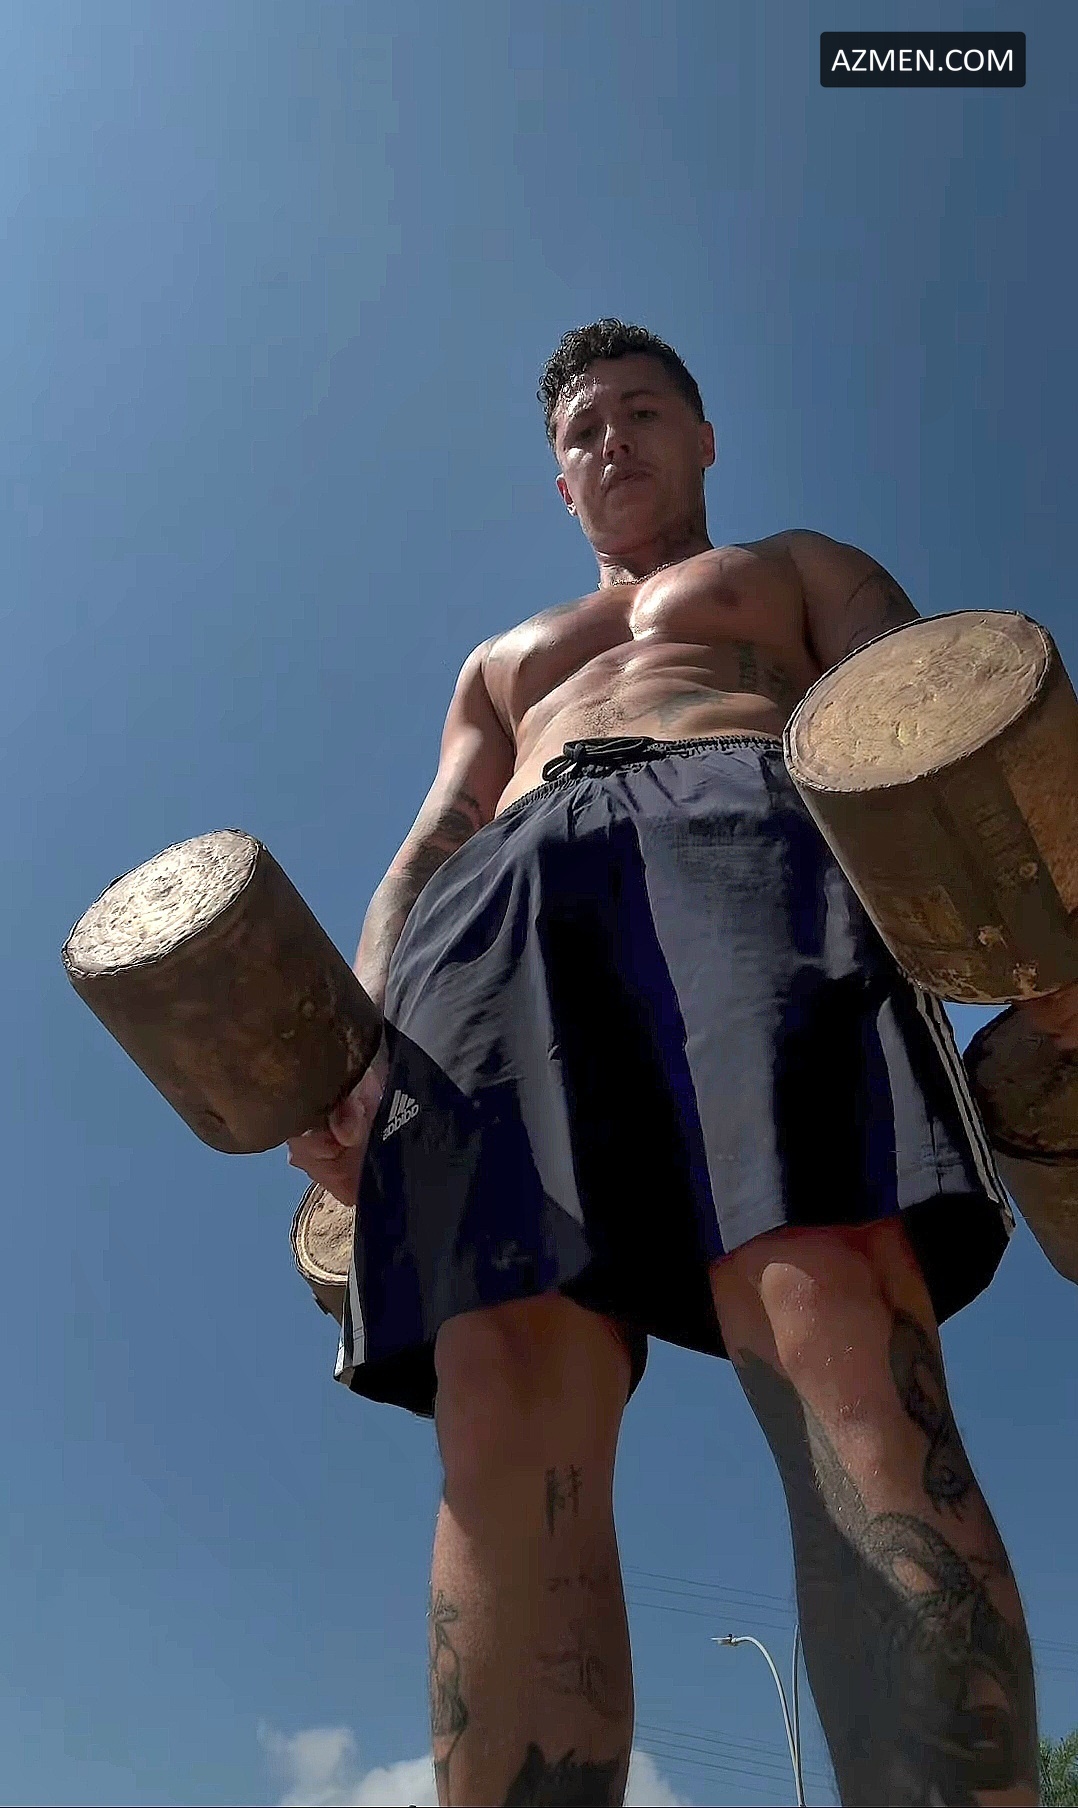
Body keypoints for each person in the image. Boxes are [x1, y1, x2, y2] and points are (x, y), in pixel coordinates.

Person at [288, 321, 1041, 1807]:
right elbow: (430, 838)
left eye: (641, 412)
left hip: (748, 831)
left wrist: (1041, 943)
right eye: (581, 432)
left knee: (825, 1294)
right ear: (560, 483)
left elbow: (928, 716)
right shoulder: (502, 663)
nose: (610, 440)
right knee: (501, 1374)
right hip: (498, 913)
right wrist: (349, 1034)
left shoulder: (796, 568)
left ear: (703, 440)